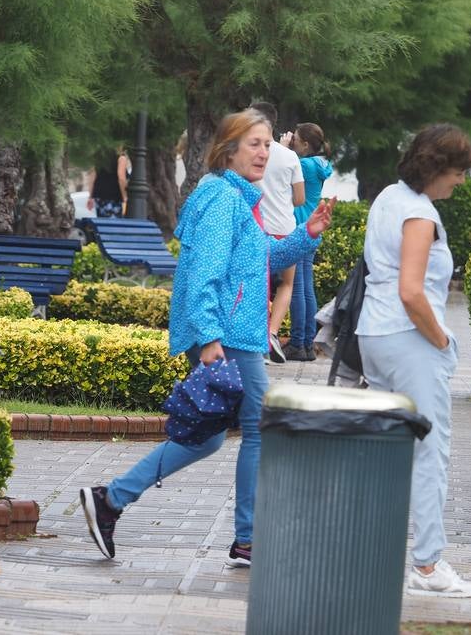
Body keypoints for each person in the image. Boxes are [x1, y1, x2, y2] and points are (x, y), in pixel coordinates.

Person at [78, 109, 335, 567]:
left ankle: (111, 500)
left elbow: (260, 258)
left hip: (234, 332)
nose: (264, 152)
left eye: (268, 143)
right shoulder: (222, 198)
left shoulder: (239, 198)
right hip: (230, 334)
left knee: (206, 438)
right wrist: (211, 337)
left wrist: (306, 234)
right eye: (253, 143)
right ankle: (248, 539)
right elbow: (203, 276)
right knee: (260, 427)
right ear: (228, 149)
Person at [358, 123, 471, 597]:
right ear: (436, 168)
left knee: (388, 452)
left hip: (374, 335)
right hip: (410, 338)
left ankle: (374, 555)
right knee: (429, 452)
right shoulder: (419, 214)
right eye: (458, 172)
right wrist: (443, 341)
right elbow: (412, 291)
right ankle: (428, 566)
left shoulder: (388, 196)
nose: (461, 181)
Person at [249, 101, 304, 363]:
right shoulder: (290, 156)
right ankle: (272, 333)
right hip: (285, 227)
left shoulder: (249, 154)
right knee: (287, 284)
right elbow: (300, 198)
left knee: (258, 283)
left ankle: (256, 336)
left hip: (259, 227)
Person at [286, 122, 333, 361]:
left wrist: (283, 150)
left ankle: (297, 343)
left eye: (295, 139)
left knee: (296, 288)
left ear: (305, 144)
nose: (292, 141)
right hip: (312, 229)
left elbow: (283, 178)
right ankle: (306, 344)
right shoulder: (320, 164)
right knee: (306, 288)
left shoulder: (302, 164)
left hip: (299, 228)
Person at [88, 146, 128, 217]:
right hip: (114, 197)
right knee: (114, 225)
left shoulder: (98, 157)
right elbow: (121, 177)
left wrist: (90, 197)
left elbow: (92, 177)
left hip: (99, 196)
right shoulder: (121, 158)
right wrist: (125, 197)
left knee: (103, 224)